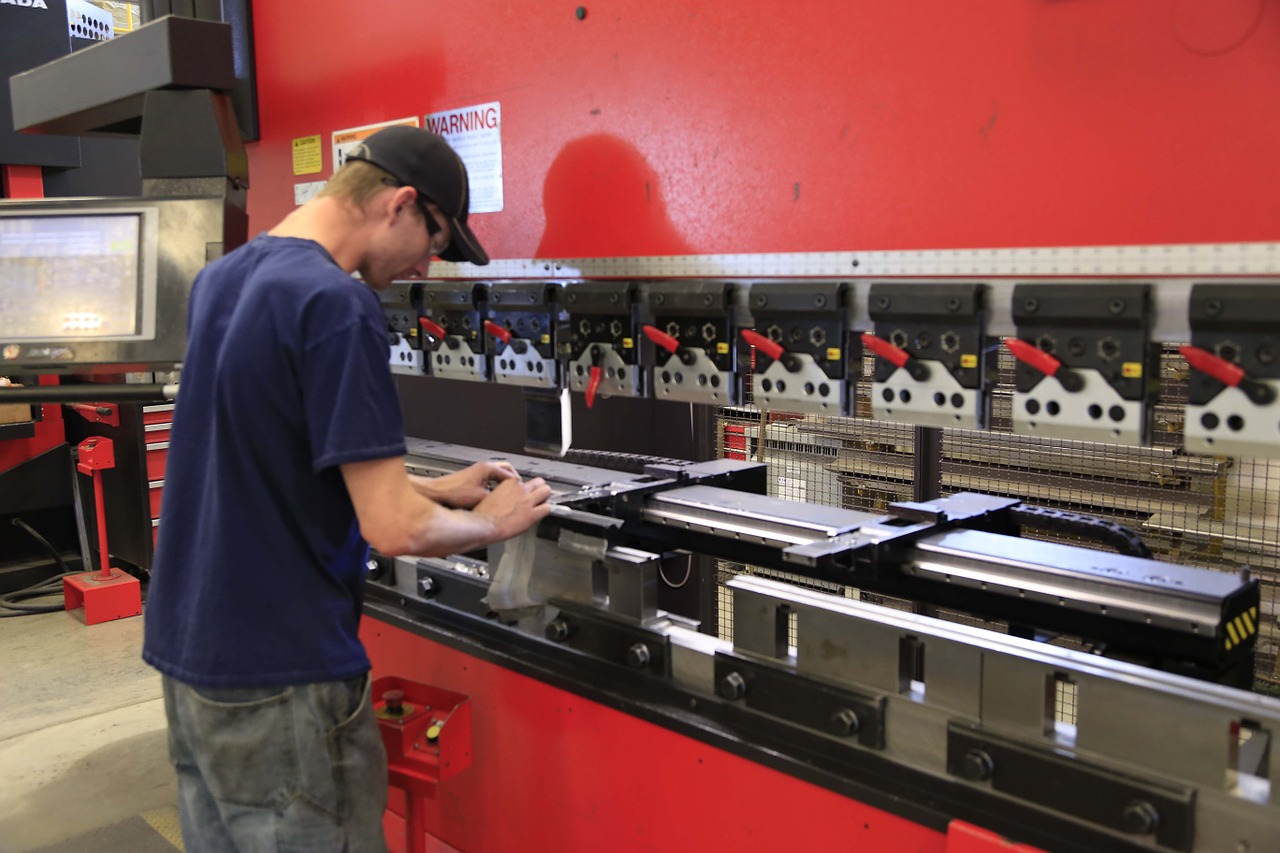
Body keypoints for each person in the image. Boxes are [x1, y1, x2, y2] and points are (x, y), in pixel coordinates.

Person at [142, 125, 552, 852]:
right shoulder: (337, 303)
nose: (428, 263)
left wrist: (434, 484)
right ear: (398, 204)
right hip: (285, 676)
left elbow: (264, 449)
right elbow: (395, 531)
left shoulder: (223, 279)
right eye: (435, 240)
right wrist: (495, 520)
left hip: (190, 658)